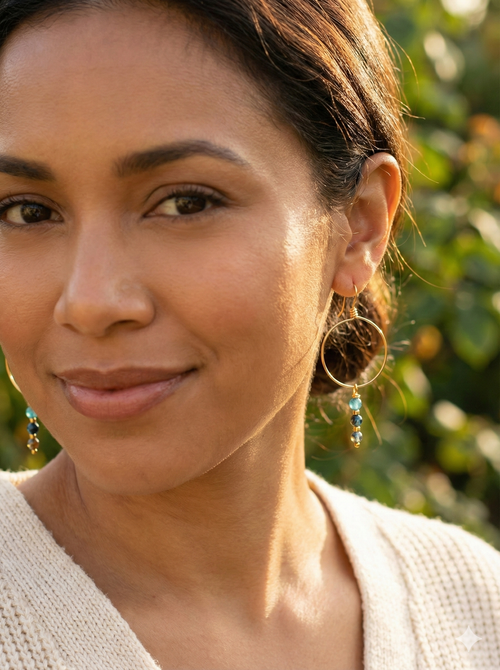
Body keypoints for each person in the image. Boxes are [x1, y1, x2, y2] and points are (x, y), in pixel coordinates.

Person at [0, 0, 498, 668]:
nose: (90, 303)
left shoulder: (475, 612)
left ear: (359, 224)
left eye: (185, 203)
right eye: (27, 212)